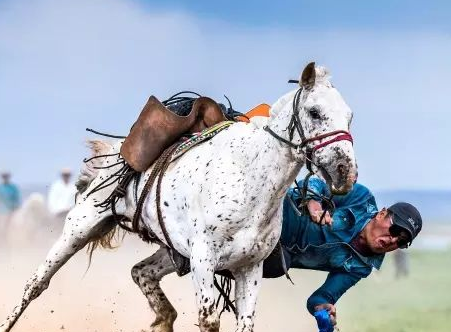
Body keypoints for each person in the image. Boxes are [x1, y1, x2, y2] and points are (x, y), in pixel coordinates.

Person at [263, 177, 422, 327]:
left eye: (401, 242)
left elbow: (322, 297)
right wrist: (314, 201)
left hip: (275, 250)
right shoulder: (360, 197)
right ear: (381, 214)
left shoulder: (360, 268)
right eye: (395, 230)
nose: (393, 240)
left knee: (278, 266)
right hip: (271, 207)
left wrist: (323, 309)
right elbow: (316, 183)